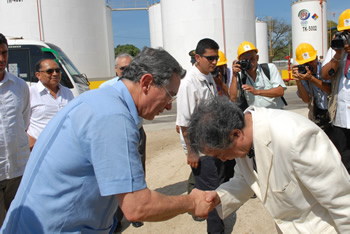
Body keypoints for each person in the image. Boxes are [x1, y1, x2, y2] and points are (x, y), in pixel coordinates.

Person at [1, 47, 216, 233]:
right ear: (147, 82)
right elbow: (137, 207)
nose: (169, 106)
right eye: (170, 95)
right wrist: (191, 201)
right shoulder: (113, 116)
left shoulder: (101, 100)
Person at [188, 96, 350, 233]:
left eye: (220, 154)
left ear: (236, 134)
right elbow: (245, 179)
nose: (223, 160)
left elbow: (342, 202)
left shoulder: (296, 137)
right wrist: (218, 197)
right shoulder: (242, 136)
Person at [176, 38, 235, 234]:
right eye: (210, 58)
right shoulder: (188, 84)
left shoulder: (208, 77)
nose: (214, 62)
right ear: (198, 57)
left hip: (213, 146)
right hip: (201, 151)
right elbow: (184, 124)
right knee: (211, 194)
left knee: (217, 188)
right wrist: (192, 153)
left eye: (216, 58)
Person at [100, 53, 145, 230]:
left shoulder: (140, 85)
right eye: (123, 68)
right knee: (118, 178)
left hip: (137, 133)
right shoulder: (106, 87)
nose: (127, 71)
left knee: (138, 172)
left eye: (130, 68)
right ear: (116, 69)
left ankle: (137, 211)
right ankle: (117, 218)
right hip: (115, 137)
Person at [0, 33, 30, 227]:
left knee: (18, 223)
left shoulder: (19, 86)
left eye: (4, 53)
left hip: (18, 170)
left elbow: (24, 122)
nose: (1, 59)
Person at [321, 9, 350, 173]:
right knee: (344, 160)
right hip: (341, 117)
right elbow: (325, 75)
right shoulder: (336, 50)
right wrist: (338, 55)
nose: (347, 37)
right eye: (345, 33)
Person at [27, 58, 74, 151]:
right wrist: (32, 143)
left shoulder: (67, 92)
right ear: (38, 75)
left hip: (65, 147)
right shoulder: (30, 93)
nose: (55, 74)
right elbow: (20, 122)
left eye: (58, 70)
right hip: (39, 149)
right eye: (50, 71)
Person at [230, 41, 287, 109]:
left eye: (252, 59)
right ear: (240, 62)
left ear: (257, 58)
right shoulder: (240, 76)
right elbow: (233, 99)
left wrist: (257, 92)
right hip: (256, 116)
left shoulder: (269, 68)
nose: (250, 63)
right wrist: (234, 75)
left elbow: (280, 91)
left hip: (275, 113)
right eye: (245, 60)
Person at [292, 43, 331, 130]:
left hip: (333, 112)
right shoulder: (304, 75)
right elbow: (306, 99)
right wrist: (298, 80)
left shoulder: (326, 69)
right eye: (306, 63)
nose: (309, 66)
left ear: (316, 58)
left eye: (311, 61)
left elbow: (330, 90)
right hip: (319, 114)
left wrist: (312, 79)